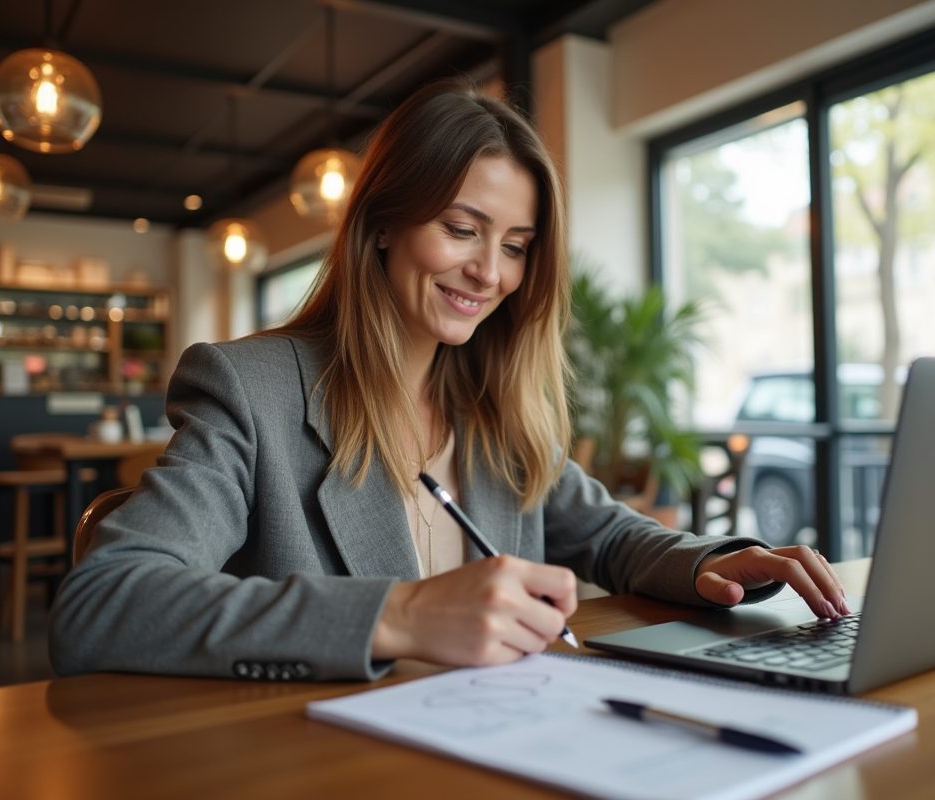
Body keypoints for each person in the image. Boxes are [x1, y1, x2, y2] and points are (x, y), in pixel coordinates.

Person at [49, 79, 849, 682]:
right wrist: (399, 614)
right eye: (462, 229)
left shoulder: (493, 406)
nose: (489, 271)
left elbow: (605, 534)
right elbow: (102, 603)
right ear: (384, 224)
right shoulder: (250, 390)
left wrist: (715, 561)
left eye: (516, 244)